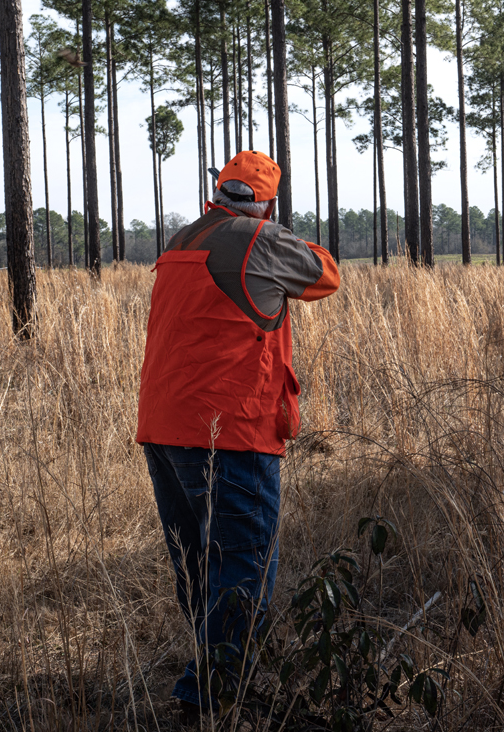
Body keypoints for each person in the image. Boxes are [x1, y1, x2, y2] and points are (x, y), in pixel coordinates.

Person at [136, 150, 340, 712]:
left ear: (219, 189)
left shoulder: (181, 240)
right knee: (242, 568)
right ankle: (212, 701)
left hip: (162, 427)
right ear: (267, 200)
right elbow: (326, 273)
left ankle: (220, 683)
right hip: (229, 432)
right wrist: (270, 224)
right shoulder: (264, 241)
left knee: (200, 567)